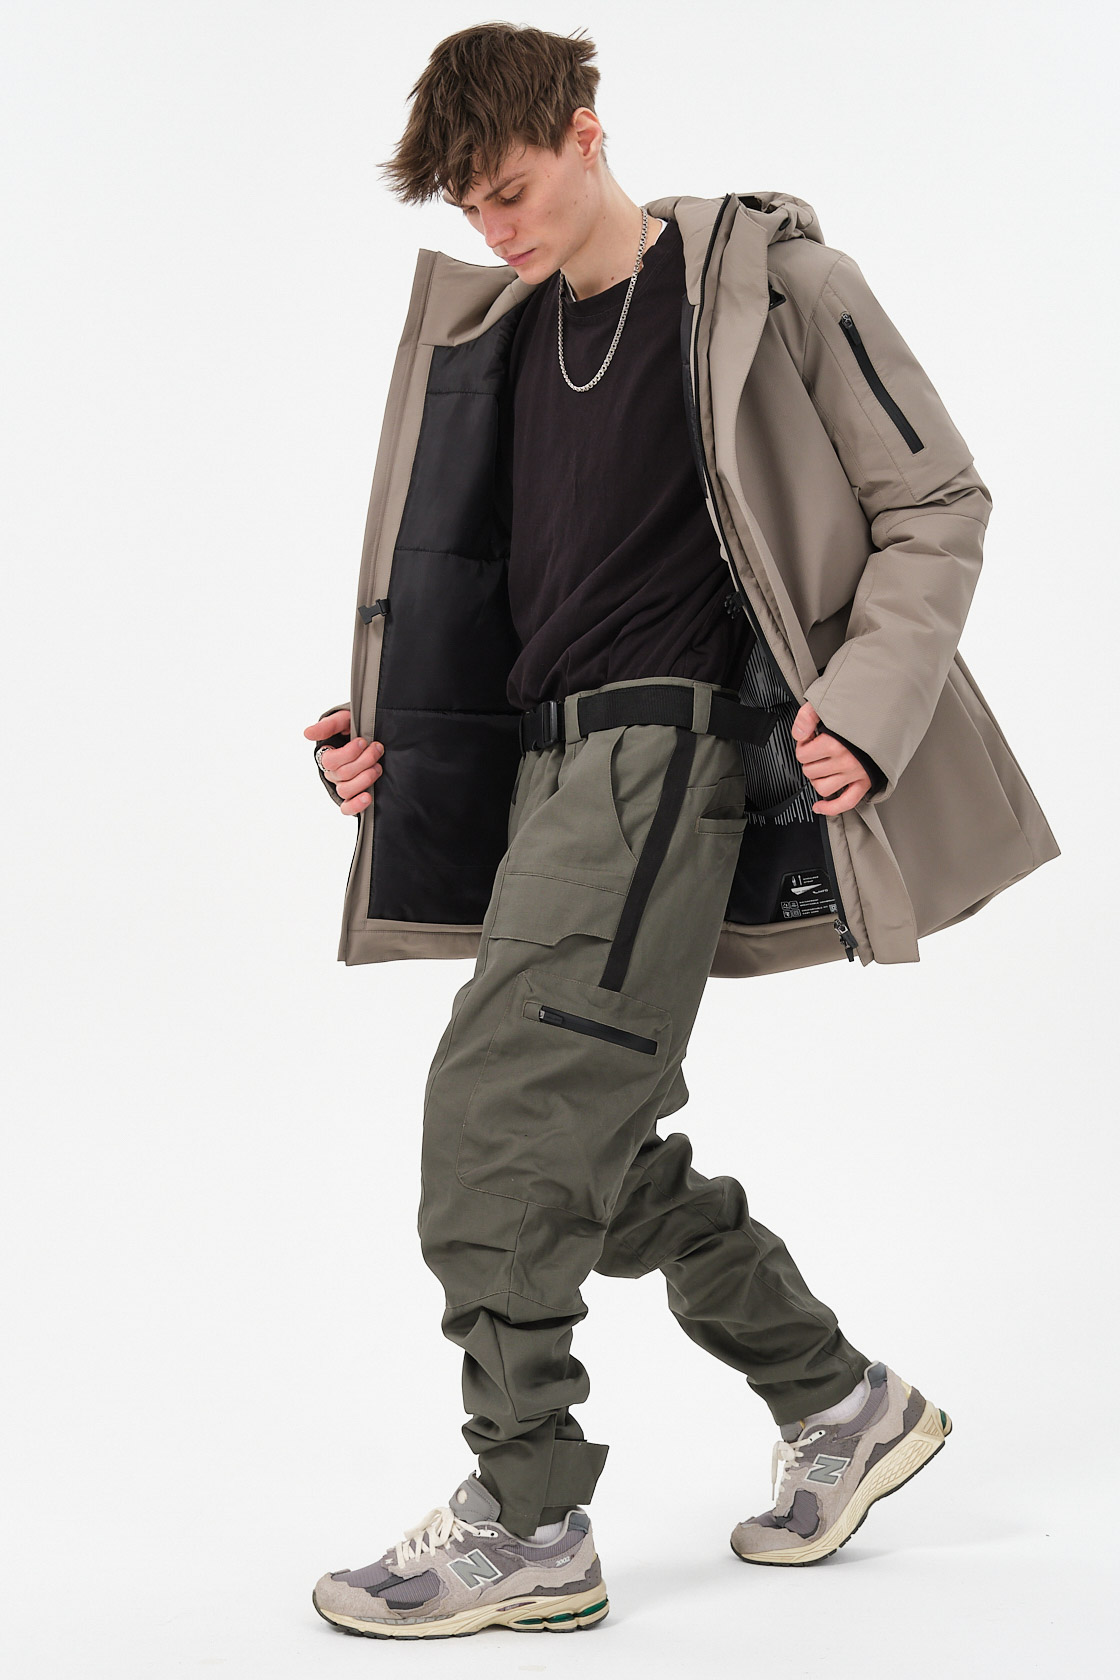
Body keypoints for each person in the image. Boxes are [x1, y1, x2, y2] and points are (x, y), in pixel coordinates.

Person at [303, 23, 1058, 1641]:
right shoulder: (499, 341)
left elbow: (939, 501)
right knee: (593, 1145)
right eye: (466, 206)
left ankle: (526, 1521)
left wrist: (870, 704)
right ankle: (838, 1399)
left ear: (586, 130)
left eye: (510, 189)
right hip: (541, 780)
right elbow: (494, 606)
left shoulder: (772, 286)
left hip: (664, 765)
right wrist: (387, 746)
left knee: (492, 1135)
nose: (492, 227)